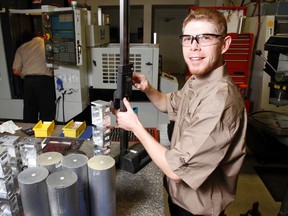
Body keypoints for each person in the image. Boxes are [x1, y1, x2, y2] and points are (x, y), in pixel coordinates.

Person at [114, 7, 247, 216]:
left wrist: (135, 127)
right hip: (180, 199)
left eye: (204, 38)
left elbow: (175, 171)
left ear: (225, 44)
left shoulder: (219, 102)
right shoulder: (197, 81)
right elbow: (169, 103)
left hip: (197, 209)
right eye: (188, 38)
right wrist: (148, 88)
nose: (193, 47)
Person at [12, 32, 56, 123]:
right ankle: (45, 134)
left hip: (28, 82)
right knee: (47, 112)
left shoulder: (22, 47)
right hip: (44, 81)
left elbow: (15, 71)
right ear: (43, 36)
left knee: (30, 112)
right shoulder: (49, 46)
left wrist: (27, 74)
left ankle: (29, 135)